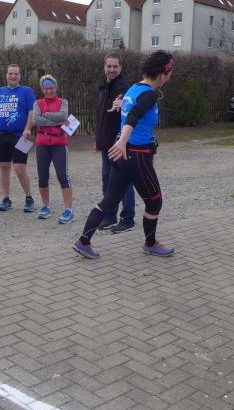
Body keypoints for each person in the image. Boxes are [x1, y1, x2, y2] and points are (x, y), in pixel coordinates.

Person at [73, 50, 176, 259]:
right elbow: (134, 116)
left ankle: (83, 241)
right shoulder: (149, 94)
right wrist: (122, 141)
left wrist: (121, 136)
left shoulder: (134, 88)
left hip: (122, 155)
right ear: (162, 73)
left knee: (109, 200)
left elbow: (129, 110)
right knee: (155, 201)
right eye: (170, 72)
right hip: (136, 155)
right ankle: (150, 244)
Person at [0, 64, 36, 212]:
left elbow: (32, 112)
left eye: (16, 74)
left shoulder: (26, 91)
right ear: (6, 75)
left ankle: (29, 198)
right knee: (4, 168)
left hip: (22, 136)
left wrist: (28, 128)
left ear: (20, 76)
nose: (13, 76)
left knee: (20, 169)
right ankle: (6, 199)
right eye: (10, 74)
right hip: (1, 136)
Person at [95, 53, 136, 234]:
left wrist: (121, 102)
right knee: (107, 181)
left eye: (115, 67)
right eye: (109, 66)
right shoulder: (103, 86)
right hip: (106, 143)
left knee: (123, 181)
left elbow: (125, 102)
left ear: (120, 67)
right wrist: (98, 140)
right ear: (104, 67)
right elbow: (102, 117)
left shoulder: (123, 87)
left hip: (120, 143)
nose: (112, 70)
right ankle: (110, 216)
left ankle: (128, 218)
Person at [32, 74, 74, 224]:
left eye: (51, 88)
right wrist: (57, 122)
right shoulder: (37, 103)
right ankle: (46, 206)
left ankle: (68, 209)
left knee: (63, 176)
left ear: (56, 88)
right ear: (42, 89)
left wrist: (46, 115)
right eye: (46, 89)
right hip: (42, 144)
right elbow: (36, 120)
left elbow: (63, 115)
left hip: (59, 144)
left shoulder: (63, 102)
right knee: (42, 176)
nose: (49, 91)